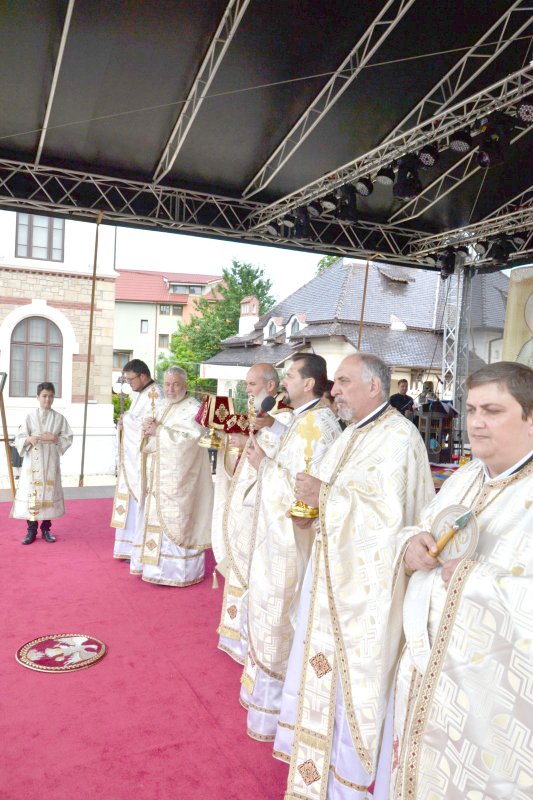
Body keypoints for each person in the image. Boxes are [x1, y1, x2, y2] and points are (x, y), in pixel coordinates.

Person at [274, 354, 434, 800]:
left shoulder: (398, 440)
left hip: (364, 596)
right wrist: (310, 508)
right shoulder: (351, 435)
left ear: (375, 387)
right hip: (327, 581)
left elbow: (391, 524)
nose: (335, 390)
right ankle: (319, 771)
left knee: (354, 688)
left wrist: (325, 497)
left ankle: (347, 784)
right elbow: (329, 497)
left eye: (343, 382)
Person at [390, 361, 533, 800]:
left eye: (492, 410)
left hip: (488, 708)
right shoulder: (466, 477)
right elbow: (423, 527)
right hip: (425, 676)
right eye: (471, 409)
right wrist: (412, 544)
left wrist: (472, 581)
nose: (475, 422)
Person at [241, 353, 341, 741]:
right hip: (277, 539)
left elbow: (304, 489)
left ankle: (278, 711)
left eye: (289, 376)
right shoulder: (304, 419)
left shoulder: (318, 423)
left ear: (309, 383)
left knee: (282, 616)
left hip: (291, 541)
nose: (283, 383)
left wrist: (264, 465)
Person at [216, 363, 292, 663]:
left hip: (263, 504)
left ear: (270, 387)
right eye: (246, 384)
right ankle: (235, 633)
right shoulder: (260, 414)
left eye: (251, 383)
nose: (246, 389)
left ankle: (250, 640)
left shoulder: (283, 418)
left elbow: (283, 454)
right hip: (247, 500)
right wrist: (236, 442)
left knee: (254, 569)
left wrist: (261, 433)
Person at [135, 367, 213, 586]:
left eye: (175, 384)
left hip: (181, 482)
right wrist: (148, 430)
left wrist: (158, 431)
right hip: (160, 477)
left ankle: (178, 573)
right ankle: (154, 568)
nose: (170, 389)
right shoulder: (161, 405)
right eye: (167, 384)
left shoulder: (194, 409)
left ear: (185, 385)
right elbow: (152, 441)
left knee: (179, 522)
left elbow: (190, 440)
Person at [110, 359, 162, 564]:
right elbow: (136, 418)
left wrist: (128, 421)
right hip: (133, 460)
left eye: (131, 379)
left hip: (145, 461)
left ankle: (137, 545)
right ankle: (130, 544)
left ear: (143, 376)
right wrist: (126, 419)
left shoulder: (156, 394)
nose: (129, 383)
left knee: (140, 501)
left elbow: (149, 425)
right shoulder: (141, 394)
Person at [11, 382, 73, 544]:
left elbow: (68, 437)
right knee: (33, 494)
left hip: (50, 463)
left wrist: (55, 438)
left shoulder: (59, 418)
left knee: (48, 494)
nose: (47, 399)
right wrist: (28, 439)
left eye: (51, 396)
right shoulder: (29, 417)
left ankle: (46, 529)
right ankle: (31, 530)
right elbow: (18, 438)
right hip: (33, 463)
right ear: (37, 397)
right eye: (44, 396)